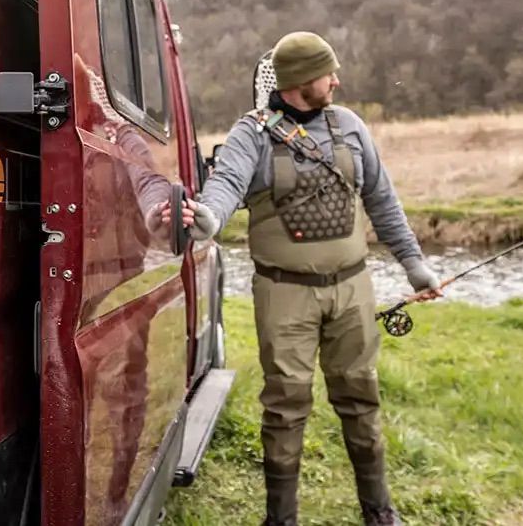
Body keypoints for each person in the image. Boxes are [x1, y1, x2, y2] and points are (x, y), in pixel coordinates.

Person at [163, 32, 442, 526]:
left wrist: (415, 266)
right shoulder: (251, 134)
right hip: (284, 293)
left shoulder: (351, 126)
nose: (336, 79)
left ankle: (379, 512)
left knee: (361, 397)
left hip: (353, 289)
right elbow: (225, 185)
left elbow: (382, 199)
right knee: (286, 405)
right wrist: (208, 217)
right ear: (299, 81)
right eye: (327, 72)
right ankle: (281, 519)